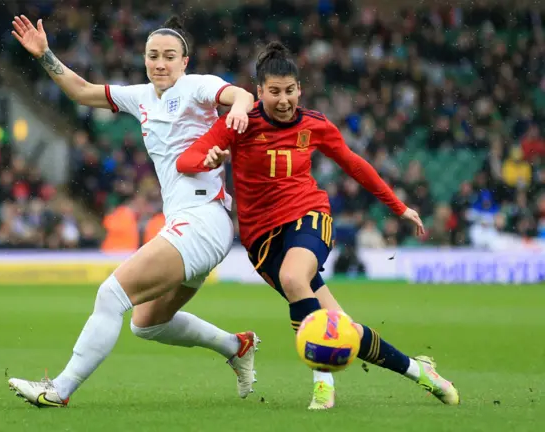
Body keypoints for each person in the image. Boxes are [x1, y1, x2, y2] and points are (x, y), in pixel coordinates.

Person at [177, 42, 460, 410]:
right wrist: (211, 157)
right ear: (259, 92)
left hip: (308, 215)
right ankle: (421, 372)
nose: (283, 100)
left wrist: (398, 206)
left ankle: (322, 386)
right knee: (340, 328)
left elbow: (354, 164)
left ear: (300, 89)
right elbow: (187, 160)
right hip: (262, 240)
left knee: (296, 279)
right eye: (274, 92)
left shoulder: (315, 124)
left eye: (290, 90)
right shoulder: (239, 123)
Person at [7, 15, 259, 407]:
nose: (160, 63)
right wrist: (45, 56)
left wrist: (240, 111)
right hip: (189, 223)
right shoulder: (140, 96)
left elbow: (241, 96)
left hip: (203, 220)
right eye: (153, 55)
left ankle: (60, 388)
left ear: (184, 62)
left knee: (112, 295)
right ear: (144, 59)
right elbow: (84, 92)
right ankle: (236, 346)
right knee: (147, 324)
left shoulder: (199, 86)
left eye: (169, 56)